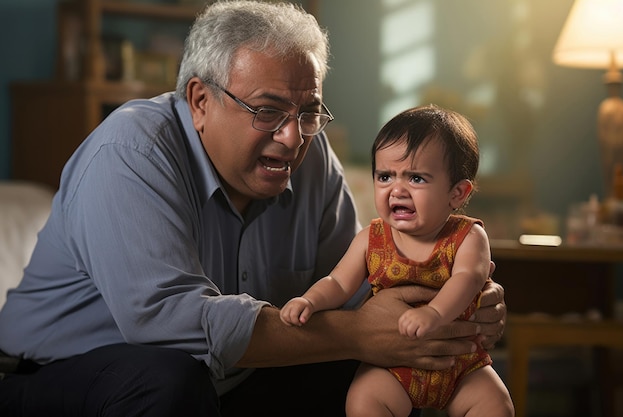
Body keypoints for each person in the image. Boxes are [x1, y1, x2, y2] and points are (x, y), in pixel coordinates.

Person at [0, 2, 506, 416]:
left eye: (308, 112)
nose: (292, 137)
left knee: (372, 374)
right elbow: (164, 320)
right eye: (267, 112)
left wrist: (451, 309)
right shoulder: (132, 153)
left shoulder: (311, 155)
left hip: (231, 381)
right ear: (200, 101)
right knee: (169, 380)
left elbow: (360, 291)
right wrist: (359, 333)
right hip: (52, 377)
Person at [281, 105, 514, 417]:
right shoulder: (371, 239)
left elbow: (468, 279)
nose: (397, 190)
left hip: (460, 364)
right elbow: (338, 282)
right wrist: (310, 301)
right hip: (392, 366)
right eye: (385, 176)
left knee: (496, 404)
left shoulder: (467, 236)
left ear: (457, 193)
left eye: (416, 178)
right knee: (363, 399)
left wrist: (435, 312)